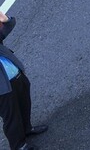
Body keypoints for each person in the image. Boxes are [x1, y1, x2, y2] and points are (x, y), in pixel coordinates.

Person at [0, 11, 48, 150]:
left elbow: (6, 29)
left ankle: (27, 128)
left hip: (15, 74)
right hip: (2, 86)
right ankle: (19, 145)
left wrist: (2, 17)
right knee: (11, 116)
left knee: (24, 103)